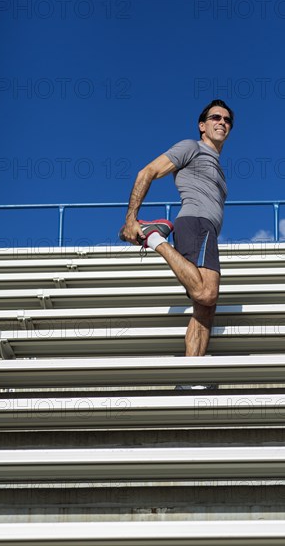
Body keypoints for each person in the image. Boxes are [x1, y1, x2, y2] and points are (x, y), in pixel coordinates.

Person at [119, 99, 234, 389]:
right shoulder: (191, 147)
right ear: (202, 125)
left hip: (206, 230)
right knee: (207, 293)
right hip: (195, 224)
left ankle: (190, 378)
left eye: (228, 120)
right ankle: (154, 237)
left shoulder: (217, 166)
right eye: (216, 117)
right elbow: (146, 172)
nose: (222, 122)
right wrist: (131, 219)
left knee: (205, 309)